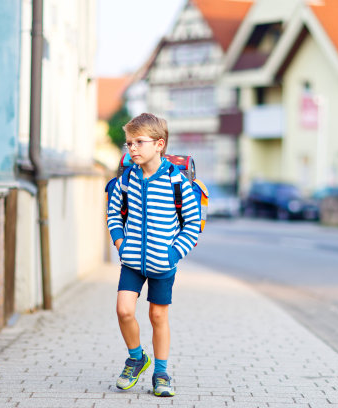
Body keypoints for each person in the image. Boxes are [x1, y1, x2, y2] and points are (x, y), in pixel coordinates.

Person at [107, 113, 200, 397]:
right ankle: (136, 358)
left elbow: (192, 224)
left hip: (163, 262)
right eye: (129, 143)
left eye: (138, 142)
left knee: (158, 316)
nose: (132, 148)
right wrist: (121, 242)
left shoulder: (176, 182)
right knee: (124, 310)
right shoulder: (127, 179)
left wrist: (173, 254)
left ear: (159, 144)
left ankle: (161, 373)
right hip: (132, 261)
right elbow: (113, 213)